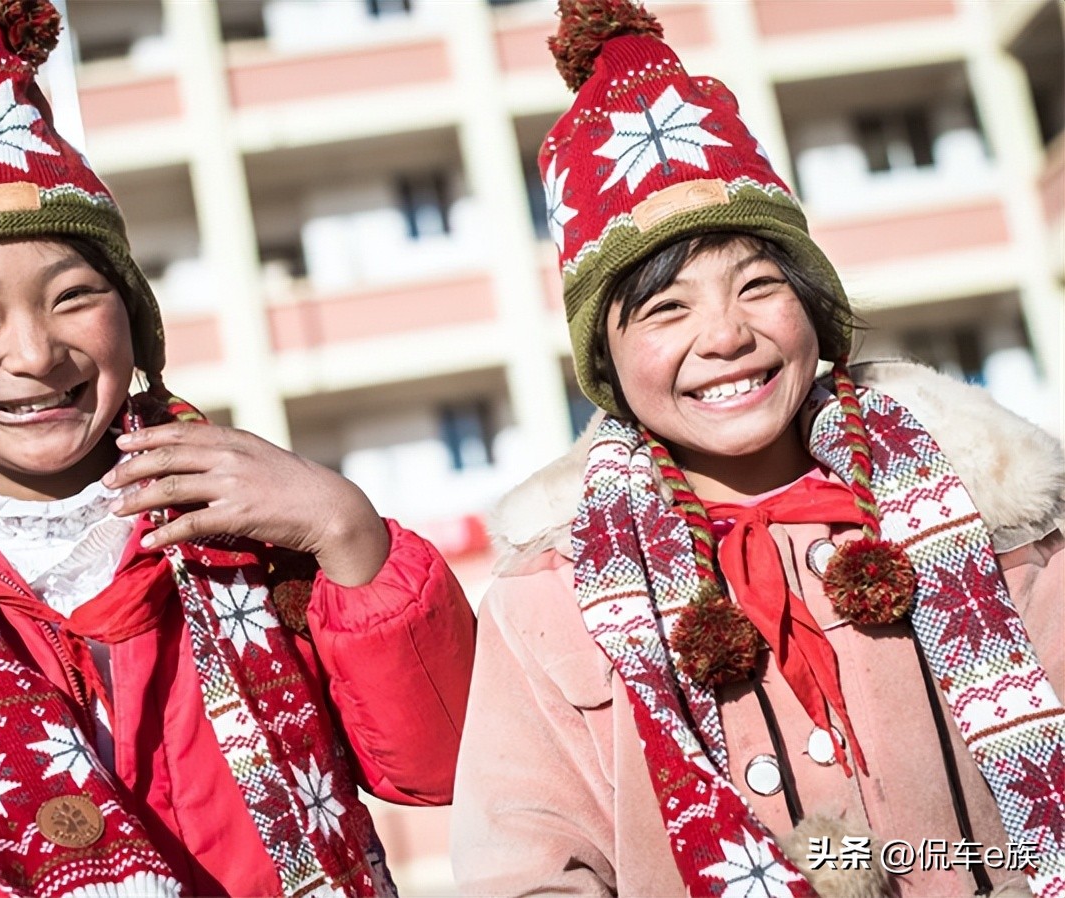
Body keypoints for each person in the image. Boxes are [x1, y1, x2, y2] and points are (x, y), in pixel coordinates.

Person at [0, 2, 475, 896]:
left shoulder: (250, 514)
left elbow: (440, 769)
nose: (36, 354)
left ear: (134, 319)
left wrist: (351, 534)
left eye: (73, 297)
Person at [450, 1, 1064, 896]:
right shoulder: (550, 594)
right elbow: (530, 862)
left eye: (759, 285)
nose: (727, 336)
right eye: (667, 308)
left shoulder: (993, 507)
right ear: (607, 362)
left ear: (815, 308)